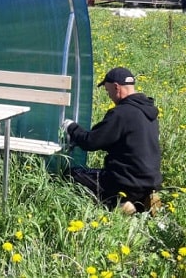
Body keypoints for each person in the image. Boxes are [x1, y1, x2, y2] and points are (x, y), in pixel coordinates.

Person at [63, 67, 162, 214]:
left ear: (116, 87)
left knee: (71, 174)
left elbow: (91, 142)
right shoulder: (148, 112)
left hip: (124, 182)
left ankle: (119, 205)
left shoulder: (121, 113)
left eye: (108, 91)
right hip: (149, 181)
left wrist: (70, 127)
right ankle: (140, 202)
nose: (108, 95)